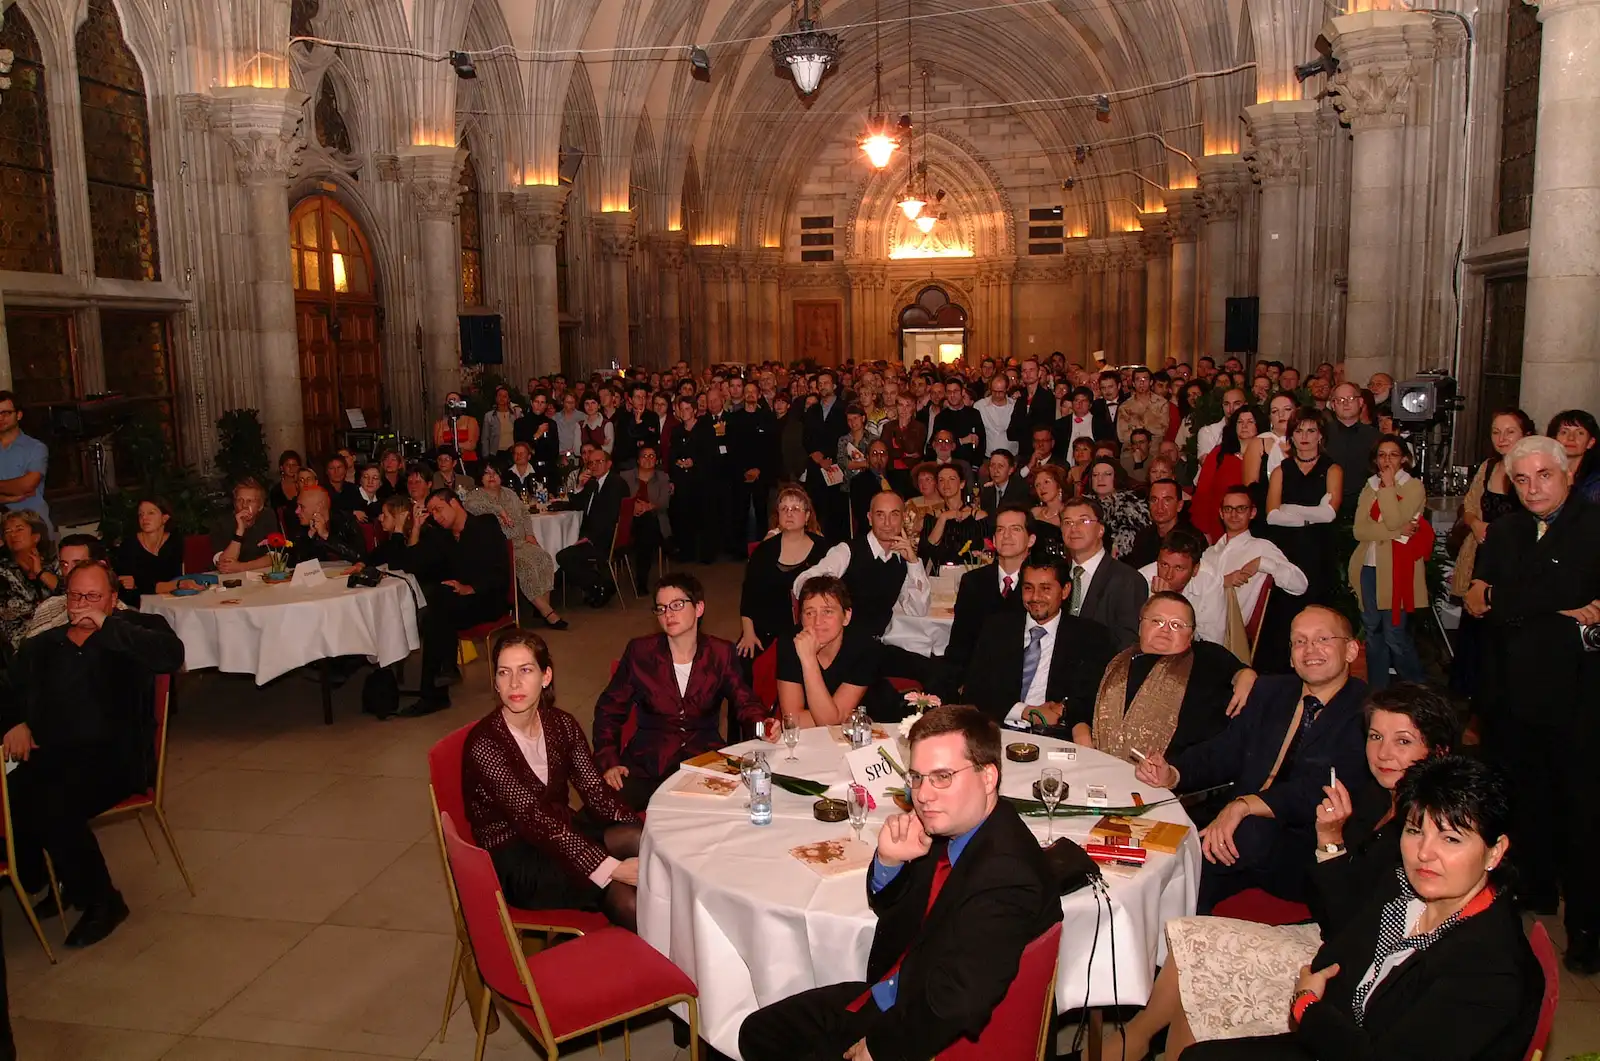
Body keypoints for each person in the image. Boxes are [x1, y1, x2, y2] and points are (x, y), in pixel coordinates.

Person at [1108, 688, 1461, 1058]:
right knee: (1189, 944)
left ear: (1438, 752)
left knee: (1200, 971)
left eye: (1402, 741)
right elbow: (1328, 904)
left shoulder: (1427, 836)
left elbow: (1355, 927)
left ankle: (1136, 1042)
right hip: (1333, 935)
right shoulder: (1377, 798)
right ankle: (1138, 1038)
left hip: (1357, 971)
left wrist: (1330, 842)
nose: (1384, 753)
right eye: (1376, 737)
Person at [738, 705, 1062, 1061]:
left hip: (922, 1029)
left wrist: (878, 1048)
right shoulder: (955, 826)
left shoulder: (1007, 874)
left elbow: (959, 999)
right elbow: (901, 917)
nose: (923, 795)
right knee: (759, 1032)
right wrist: (890, 863)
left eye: (942, 777)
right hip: (896, 989)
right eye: (917, 777)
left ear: (988, 777)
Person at [1182, 756, 1540, 1061]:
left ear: (1495, 851)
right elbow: (1338, 945)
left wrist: (1307, 1006)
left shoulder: (1488, 969)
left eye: (1450, 839)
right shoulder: (1407, 891)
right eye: (1415, 831)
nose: (1424, 854)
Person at [1466, 433, 1600, 972]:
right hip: (1509, 691)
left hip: (1577, 695)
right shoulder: (1507, 529)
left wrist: (1507, 598)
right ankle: (1536, 888)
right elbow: (1475, 600)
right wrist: (1554, 603)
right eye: (1521, 479)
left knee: (1583, 812)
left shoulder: (1593, 525)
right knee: (1523, 798)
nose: (1532, 487)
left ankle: (1588, 926)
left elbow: (1512, 594)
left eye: (1544, 475)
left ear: (1569, 473)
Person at [1136, 605, 1370, 912]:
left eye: (1323, 639)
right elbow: (1225, 750)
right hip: (1241, 836)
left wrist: (1244, 806)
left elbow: (1318, 790)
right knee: (1159, 840)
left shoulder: (1368, 713)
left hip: (1308, 846)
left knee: (1217, 850)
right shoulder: (1272, 692)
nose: (1310, 650)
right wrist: (1174, 773)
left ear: (1351, 649)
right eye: (1299, 641)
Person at [3, 562, 184, 946]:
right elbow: (9, 690)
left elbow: (170, 656)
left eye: (92, 596)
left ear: (113, 599)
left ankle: (103, 901)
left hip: (116, 758)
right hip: (54, 754)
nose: (81, 604)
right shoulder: (43, 646)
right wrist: (14, 722)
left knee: (55, 804)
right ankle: (51, 879)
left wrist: (107, 623)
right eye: (74, 596)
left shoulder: (136, 632)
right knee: (14, 792)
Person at [461, 630, 643, 930]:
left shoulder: (561, 725)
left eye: (526, 670)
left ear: (546, 676)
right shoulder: (485, 744)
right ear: (495, 681)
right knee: (625, 895)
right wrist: (611, 868)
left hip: (560, 835)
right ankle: (663, 968)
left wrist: (649, 834)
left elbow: (595, 793)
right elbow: (534, 819)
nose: (514, 684)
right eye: (504, 673)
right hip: (517, 862)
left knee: (638, 839)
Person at [594, 574, 771, 809]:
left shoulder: (721, 653)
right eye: (661, 608)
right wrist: (609, 761)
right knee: (595, 814)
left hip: (703, 763)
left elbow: (745, 702)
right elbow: (609, 709)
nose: (668, 614)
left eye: (677, 605)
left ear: (699, 608)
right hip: (648, 765)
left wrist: (763, 726)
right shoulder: (640, 652)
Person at [1073, 591, 1255, 761]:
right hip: (1100, 766)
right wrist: (1081, 732)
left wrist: (1246, 674)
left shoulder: (1206, 658)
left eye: (1176, 625)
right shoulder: (1115, 661)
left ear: (1191, 634)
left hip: (1175, 780)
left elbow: (1239, 672)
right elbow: (1081, 705)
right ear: (1140, 625)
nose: (1165, 630)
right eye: (1156, 621)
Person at [961, 555, 1116, 735]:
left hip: (1057, 737)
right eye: (1028, 588)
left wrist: (1063, 710)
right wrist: (1027, 712)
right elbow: (974, 691)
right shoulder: (998, 629)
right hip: (999, 731)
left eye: (1045, 588)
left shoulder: (1090, 636)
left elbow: (1094, 698)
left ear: (1065, 591)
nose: (1035, 597)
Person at [410, 489, 514, 712]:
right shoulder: (442, 536)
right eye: (431, 513)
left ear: (455, 503)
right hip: (457, 603)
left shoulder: (485, 526)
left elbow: (500, 573)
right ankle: (442, 676)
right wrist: (417, 529)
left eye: (439, 509)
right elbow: (415, 566)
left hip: (488, 598)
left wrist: (471, 588)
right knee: (436, 605)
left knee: (435, 613)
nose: (436, 517)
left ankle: (436, 690)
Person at [791, 490, 929, 640]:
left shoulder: (902, 559)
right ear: (870, 518)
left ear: (903, 518)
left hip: (878, 644)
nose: (887, 523)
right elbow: (802, 583)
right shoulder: (847, 551)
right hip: (841, 644)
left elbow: (918, 610)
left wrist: (914, 563)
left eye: (894, 515)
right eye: (880, 515)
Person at [1349, 435, 1430, 689]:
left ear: (1404, 458)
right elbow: (1360, 531)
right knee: (1373, 632)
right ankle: (1378, 691)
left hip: (1397, 569)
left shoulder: (1413, 487)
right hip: (1368, 567)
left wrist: (1387, 488)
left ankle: (1417, 687)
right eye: (1382, 455)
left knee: (1395, 634)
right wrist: (1395, 532)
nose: (1386, 461)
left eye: (1393, 455)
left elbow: (1395, 519)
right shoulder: (1369, 485)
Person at [1202, 486, 1309, 665]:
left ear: (1252, 513)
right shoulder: (1209, 553)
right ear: (1221, 513)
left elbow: (1300, 585)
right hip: (1199, 629)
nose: (1234, 514)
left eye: (1241, 509)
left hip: (1228, 637)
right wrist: (1223, 581)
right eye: (1228, 509)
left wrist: (1261, 563)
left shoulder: (1260, 547)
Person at [778, 575, 893, 726]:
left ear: (846, 616)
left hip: (868, 732)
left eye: (828, 612)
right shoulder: (791, 642)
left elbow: (830, 722)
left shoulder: (865, 647)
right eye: (809, 613)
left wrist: (809, 660)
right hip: (814, 739)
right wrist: (835, 714)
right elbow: (793, 721)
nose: (818, 622)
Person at [463, 463, 566, 629]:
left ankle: (543, 609)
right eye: (486, 473)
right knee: (527, 566)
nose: (491, 476)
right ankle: (549, 614)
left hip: (520, 542)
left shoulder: (509, 493)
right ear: (480, 478)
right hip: (501, 548)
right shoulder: (475, 496)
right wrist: (499, 510)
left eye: (494, 472)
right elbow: (472, 507)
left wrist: (529, 533)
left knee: (544, 558)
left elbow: (525, 513)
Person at [740, 485, 831, 662]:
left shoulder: (824, 549)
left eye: (796, 509)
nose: (789, 513)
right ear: (778, 516)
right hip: (765, 630)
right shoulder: (764, 551)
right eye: (784, 509)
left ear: (806, 517)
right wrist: (748, 633)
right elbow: (748, 596)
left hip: (811, 630)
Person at [945, 504, 1034, 675]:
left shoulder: (1039, 584)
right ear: (993, 540)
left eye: (1015, 529)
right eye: (1000, 530)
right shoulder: (973, 581)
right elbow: (959, 644)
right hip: (978, 679)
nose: (1006, 536)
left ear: (1031, 539)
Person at [1266, 408, 1342, 604]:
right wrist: (1313, 516)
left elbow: (1329, 514)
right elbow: (1272, 516)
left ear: (1321, 435)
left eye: (1311, 431)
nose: (1304, 436)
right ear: (1291, 435)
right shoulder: (1280, 471)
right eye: (1299, 431)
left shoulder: (1332, 469)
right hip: (1287, 551)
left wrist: (1289, 509)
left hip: (1320, 551)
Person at [1059, 495, 1148, 650]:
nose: (1074, 528)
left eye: (1083, 521)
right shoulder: (1058, 575)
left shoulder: (1127, 579)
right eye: (1067, 522)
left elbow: (1128, 643)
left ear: (1100, 530)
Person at [555, 447, 628, 607]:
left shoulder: (615, 483)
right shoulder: (592, 483)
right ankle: (597, 587)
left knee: (563, 556)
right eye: (590, 463)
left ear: (609, 464)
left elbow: (610, 518)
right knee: (562, 549)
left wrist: (589, 539)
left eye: (598, 462)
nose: (593, 466)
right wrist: (580, 485)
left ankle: (601, 585)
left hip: (606, 539)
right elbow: (576, 504)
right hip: (593, 534)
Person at [1138, 529, 1228, 646]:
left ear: (1195, 569)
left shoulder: (1210, 580)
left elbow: (1212, 641)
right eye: (1164, 565)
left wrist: (1173, 603)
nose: (1169, 575)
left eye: (1179, 568)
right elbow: (1137, 636)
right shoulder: (1142, 580)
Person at [1192, 405, 1258, 542]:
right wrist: (1204, 531)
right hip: (1219, 530)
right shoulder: (1219, 454)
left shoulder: (1266, 456)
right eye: (1240, 422)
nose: (1244, 426)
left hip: (1256, 531)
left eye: (1250, 422)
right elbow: (1203, 492)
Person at [112, 498, 188, 606]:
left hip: (170, 600)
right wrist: (177, 585)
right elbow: (141, 585)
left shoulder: (174, 541)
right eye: (140, 514)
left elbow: (175, 575)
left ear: (165, 518)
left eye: (151, 513)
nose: (144, 518)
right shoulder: (129, 544)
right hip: (137, 605)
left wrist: (175, 585)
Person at [0, 511, 59, 651]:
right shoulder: (3, 571)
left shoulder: (53, 564)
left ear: (36, 537)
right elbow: (9, 609)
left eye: (19, 529)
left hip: (61, 634)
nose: (13, 535)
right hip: (24, 642)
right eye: (7, 531)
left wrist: (40, 573)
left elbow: (70, 592)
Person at [728, 380, 778, 545]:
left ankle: (763, 547)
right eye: (747, 391)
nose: (750, 394)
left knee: (762, 512)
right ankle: (740, 549)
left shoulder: (768, 417)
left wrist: (759, 470)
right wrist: (744, 470)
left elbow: (771, 448)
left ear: (758, 395)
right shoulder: (734, 419)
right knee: (740, 513)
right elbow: (732, 448)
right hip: (740, 474)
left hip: (761, 475)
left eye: (753, 391)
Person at [803, 369, 850, 541]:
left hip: (835, 465)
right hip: (816, 465)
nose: (822, 387)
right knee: (815, 509)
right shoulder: (812, 410)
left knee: (836, 512)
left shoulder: (844, 408)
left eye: (826, 383)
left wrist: (829, 457)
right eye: (820, 384)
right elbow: (806, 436)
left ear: (835, 385)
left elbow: (844, 435)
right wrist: (815, 454)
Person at [619, 443, 671, 593]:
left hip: (655, 521)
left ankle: (642, 580)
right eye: (644, 456)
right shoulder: (625, 476)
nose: (648, 459)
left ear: (656, 460)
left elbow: (664, 502)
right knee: (644, 528)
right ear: (638, 460)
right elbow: (619, 499)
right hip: (630, 521)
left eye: (652, 456)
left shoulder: (662, 477)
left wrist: (649, 506)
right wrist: (633, 507)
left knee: (647, 525)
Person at [1325, 382, 1381, 521]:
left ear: (1360, 402)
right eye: (1340, 400)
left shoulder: (1376, 437)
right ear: (1333, 405)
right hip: (1327, 509)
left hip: (1365, 509)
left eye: (1350, 399)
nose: (1345, 404)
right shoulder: (1321, 434)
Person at [0, 392, 51, 536]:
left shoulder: (36, 448)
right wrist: (10, 496)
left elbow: (27, 485)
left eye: (6, 413)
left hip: (33, 527)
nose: (0, 418)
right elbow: (21, 488)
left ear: (19, 415)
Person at [917, 465, 988, 568]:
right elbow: (925, 551)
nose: (946, 484)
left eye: (952, 479)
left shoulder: (978, 516)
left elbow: (988, 550)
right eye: (941, 480)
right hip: (940, 575)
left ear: (962, 484)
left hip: (970, 572)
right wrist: (943, 517)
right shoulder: (932, 516)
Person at [1124, 477, 1197, 569]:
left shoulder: (1192, 539)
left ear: (1179, 505)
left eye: (1167, 500)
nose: (1159, 507)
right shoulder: (1143, 535)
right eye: (1154, 500)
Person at [1086, 456, 1151, 561]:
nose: (1100, 479)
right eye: (1095, 475)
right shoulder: (1082, 506)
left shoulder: (1132, 507)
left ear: (1116, 477)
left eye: (1107, 474)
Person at [212, 478, 282, 573]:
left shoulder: (268, 516)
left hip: (260, 574)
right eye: (240, 500)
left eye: (250, 501)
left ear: (260, 506)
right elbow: (225, 564)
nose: (244, 505)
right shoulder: (222, 522)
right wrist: (240, 530)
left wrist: (241, 567)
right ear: (234, 503)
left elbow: (275, 556)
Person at [287, 485, 364, 566]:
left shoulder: (345, 521)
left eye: (302, 507)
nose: (297, 511)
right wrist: (308, 538)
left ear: (319, 506)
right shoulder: (300, 525)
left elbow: (360, 556)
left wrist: (326, 535)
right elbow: (291, 563)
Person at [1548, 408, 1600, 502]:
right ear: (1554, 439)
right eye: (1564, 432)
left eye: (1580, 433)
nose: (1571, 438)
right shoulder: (1543, 471)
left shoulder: (1595, 481)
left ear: (1591, 442)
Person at [848, 440, 895, 536]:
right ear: (868, 458)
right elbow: (861, 514)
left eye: (883, 453)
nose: (879, 457)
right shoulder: (858, 481)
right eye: (874, 454)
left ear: (888, 457)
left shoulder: (900, 478)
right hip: (871, 532)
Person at [1118, 366, 1171, 446]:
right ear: (1133, 383)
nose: (1141, 383)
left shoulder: (1162, 403)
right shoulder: (1125, 407)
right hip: (1131, 449)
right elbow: (1122, 436)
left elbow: (1162, 431)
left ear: (1151, 382)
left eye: (1145, 379)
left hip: (1155, 449)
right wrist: (1150, 428)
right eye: (1138, 379)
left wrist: (1138, 427)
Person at [1196, 387, 1247, 465]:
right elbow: (1207, 464)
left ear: (1245, 404)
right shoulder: (1208, 431)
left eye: (1237, 404)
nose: (1231, 409)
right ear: (1222, 406)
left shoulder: (1251, 431)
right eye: (1226, 404)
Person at [431, 391, 481, 472]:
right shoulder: (439, 423)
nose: (452, 403)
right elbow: (439, 444)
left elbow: (471, 444)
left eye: (455, 400)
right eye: (450, 401)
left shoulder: (471, 420)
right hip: (447, 463)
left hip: (468, 461)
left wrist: (450, 446)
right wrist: (458, 447)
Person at [973, 374, 1016, 456]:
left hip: (1011, 455)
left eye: (1000, 392)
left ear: (1007, 389)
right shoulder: (979, 406)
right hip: (987, 455)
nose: (997, 395)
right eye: (994, 391)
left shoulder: (1015, 405)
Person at [977, 448, 1026, 515]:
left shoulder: (1020, 490)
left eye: (1000, 466)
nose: (995, 470)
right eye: (992, 465)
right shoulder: (987, 491)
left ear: (1010, 470)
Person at [268, 449, 302, 514]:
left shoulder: (304, 486)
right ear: (281, 468)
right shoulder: (276, 490)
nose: (291, 468)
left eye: (294, 465)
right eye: (288, 465)